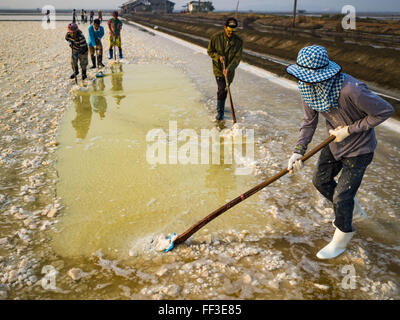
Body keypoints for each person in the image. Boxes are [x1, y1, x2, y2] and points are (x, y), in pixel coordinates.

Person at [286, 45, 394, 259]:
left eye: (308, 77)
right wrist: (298, 151)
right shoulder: (307, 87)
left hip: (360, 149)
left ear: (322, 73)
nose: (304, 81)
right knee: (321, 181)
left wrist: (350, 129)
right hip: (334, 144)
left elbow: (385, 111)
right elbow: (309, 122)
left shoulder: (351, 89)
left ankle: (343, 236)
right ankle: (352, 210)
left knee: (342, 196)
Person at [207, 17, 243, 121]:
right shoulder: (216, 38)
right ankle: (220, 113)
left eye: (233, 31)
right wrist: (218, 57)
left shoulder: (239, 41)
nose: (230, 33)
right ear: (224, 28)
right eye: (229, 30)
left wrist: (229, 68)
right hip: (218, 68)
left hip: (230, 71)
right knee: (221, 89)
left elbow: (237, 58)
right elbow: (210, 51)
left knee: (226, 89)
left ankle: (221, 106)